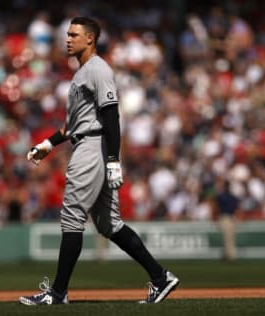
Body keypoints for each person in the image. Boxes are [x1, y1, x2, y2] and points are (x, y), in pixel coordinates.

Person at [19, 16, 179, 305]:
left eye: (73, 34)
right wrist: (48, 144)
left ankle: (57, 293)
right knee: (108, 224)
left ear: (89, 38)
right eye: (67, 34)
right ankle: (161, 277)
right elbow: (75, 124)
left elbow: (111, 116)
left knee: (72, 216)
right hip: (89, 142)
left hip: (94, 147)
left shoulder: (98, 69)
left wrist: (114, 160)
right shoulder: (82, 72)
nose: (67, 39)